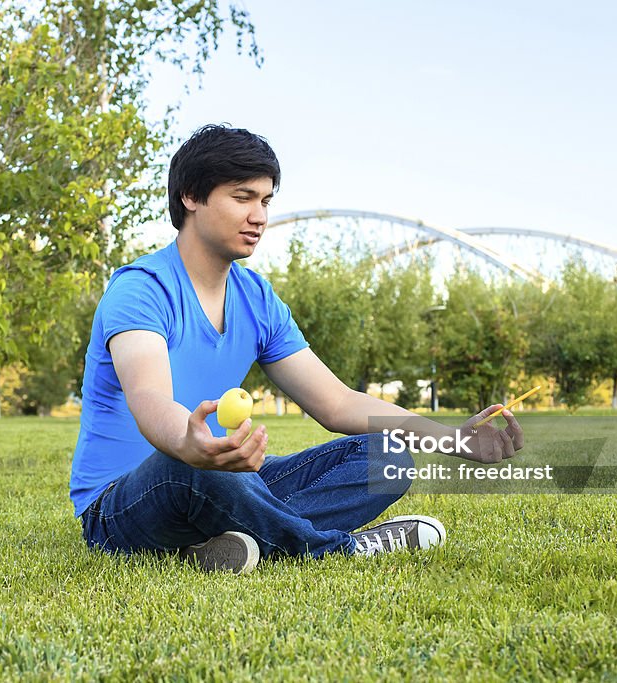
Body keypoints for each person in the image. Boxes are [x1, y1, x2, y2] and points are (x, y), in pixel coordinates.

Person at [71, 124, 524, 573]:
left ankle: (227, 542)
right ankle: (340, 548)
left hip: (226, 479)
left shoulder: (257, 299)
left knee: (386, 457)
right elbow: (150, 398)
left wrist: (453, 438)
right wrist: (190, 446)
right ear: (191, 196)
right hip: (127, 501)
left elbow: (336, 402)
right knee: (192, 467)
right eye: (242, 197)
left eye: (266, 201)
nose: (259, 216)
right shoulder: (141, 289)